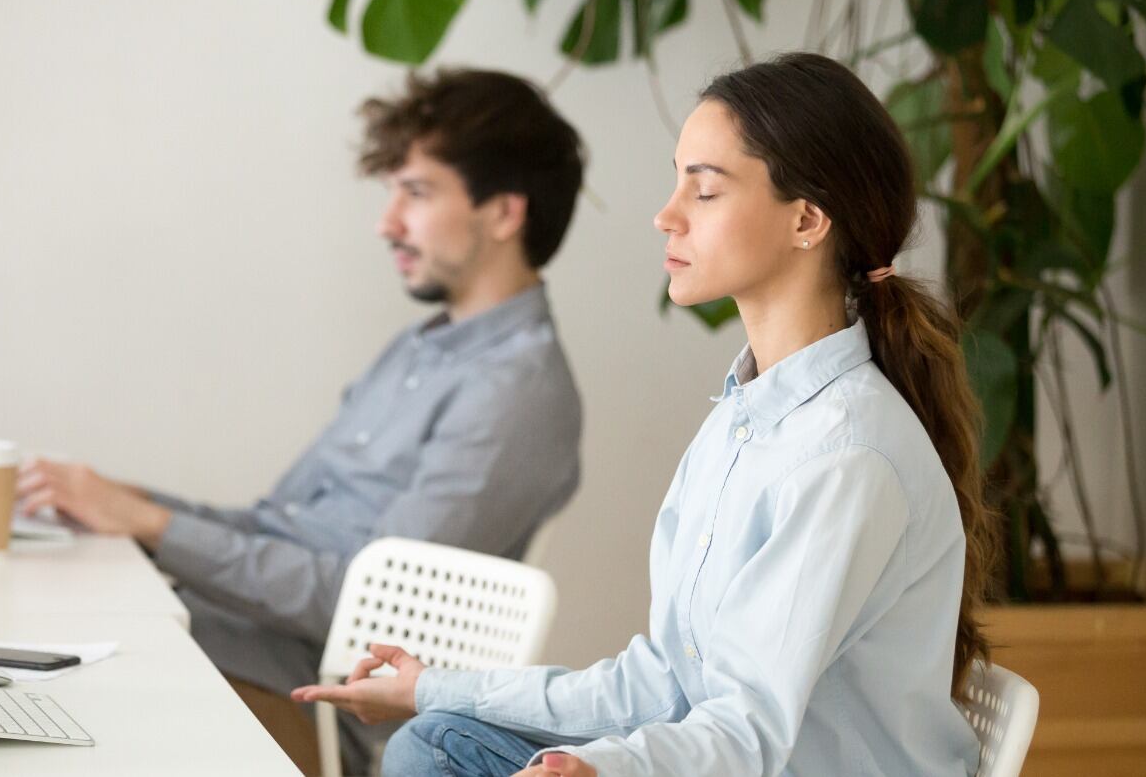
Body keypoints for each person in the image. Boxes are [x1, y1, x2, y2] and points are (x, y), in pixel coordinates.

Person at [293, 52, 998, 776]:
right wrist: (434, 686)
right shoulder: (744, 419)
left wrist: (607, 768)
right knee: (437, 733)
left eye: (706, 191)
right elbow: (662, 683)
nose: (666, 215)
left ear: (807, 219)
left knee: (435, 751)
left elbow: (747, 730)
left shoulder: (848, 453)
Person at [16, 68, 587, 774]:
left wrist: (153, 527)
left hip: (307, 705)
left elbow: (378, 614)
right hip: (237, 642)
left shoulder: (517, 393)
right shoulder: (419, 349)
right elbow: (275, 523)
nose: (387, 223)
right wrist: (124, 503)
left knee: (43, 704)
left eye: (416, 192)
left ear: (503, 214)